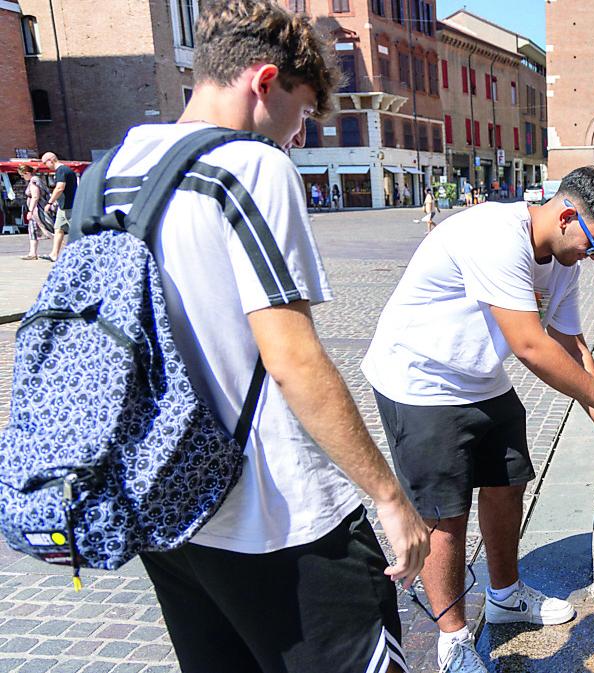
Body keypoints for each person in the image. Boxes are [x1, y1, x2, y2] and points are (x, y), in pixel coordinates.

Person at [90, 2, 429, 671]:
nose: (298, 136)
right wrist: (391, 498)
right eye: (301, 112)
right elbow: (292, 359)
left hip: (166, 507)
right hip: (275, 514)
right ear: (263, 82)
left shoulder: (109, 171)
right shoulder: (249, 166)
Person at [362, 166, 594, 673]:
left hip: (481, 379)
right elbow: (529, 344)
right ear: (568, 216)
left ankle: (505, 594)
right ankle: (453, 638)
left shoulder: (565, 262)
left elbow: (570, 343)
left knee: (508, 481)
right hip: (421, 381)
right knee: (445, 514)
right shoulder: (496, 236)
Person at [40, 152, 77, 262]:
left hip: (69, 206)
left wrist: (50, 202)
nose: (46, 166)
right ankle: (54, 254)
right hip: (64, 206)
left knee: (76, 230)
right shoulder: (64, 170)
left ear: (51, 160)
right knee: (58, 229)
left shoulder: (62, 170)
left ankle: (84, 253)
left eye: (45, 163)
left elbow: (60, 188)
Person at [18, 165, 53, 261]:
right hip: (35, 211)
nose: (22, 177)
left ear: (27, 173)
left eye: (22, 175)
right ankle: (32, 253)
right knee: (32, 230)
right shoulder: (33, 180)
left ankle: (63, 248)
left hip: (38, 211)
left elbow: (35, 196)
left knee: (47, 230)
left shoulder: (34, 181)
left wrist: (30, 210)